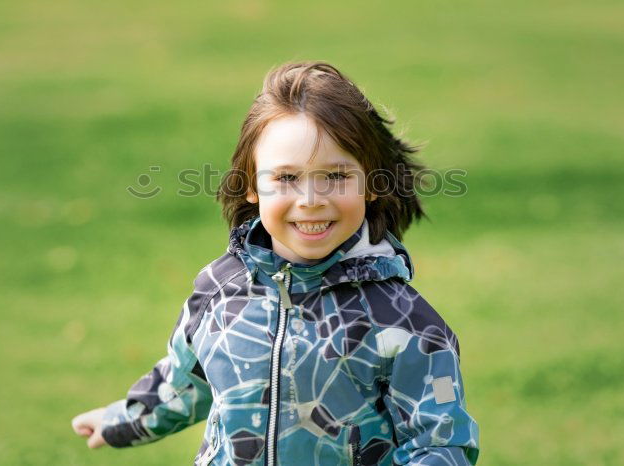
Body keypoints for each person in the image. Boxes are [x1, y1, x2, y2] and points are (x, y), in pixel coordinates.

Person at [71, 62, 480, 465]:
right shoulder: (220, 290)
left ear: (371, 182)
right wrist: (122, 419)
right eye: (286, 178)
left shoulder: (405, 323)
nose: (311, 200)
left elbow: (440, 442)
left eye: (335, 176)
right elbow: (186, 381)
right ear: (251, 185)